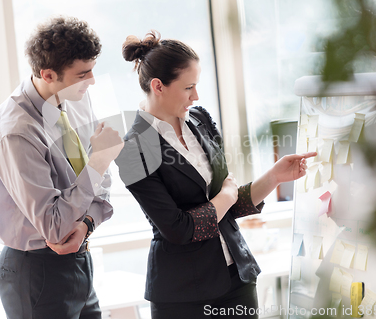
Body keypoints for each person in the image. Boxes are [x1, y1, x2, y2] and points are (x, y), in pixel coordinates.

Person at [115, 31, 315, 319]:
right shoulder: (133, 148)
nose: (196, 96)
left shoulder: (200, 119)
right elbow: (178, 229)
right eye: (189, 88)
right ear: (158, 86)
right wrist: (226, 196)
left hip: (238, 278)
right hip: (183, 295)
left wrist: (274, 177)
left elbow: (227, 204)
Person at [0, 16, 123, 319]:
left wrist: (88, 224)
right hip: (36, 272)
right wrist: (98, 161)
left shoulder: (75, 97)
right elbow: (55, 226)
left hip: (79, 260)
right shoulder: (15, 132)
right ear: (47, 74)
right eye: (83, 74)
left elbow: (101, 178)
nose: (92, 81)